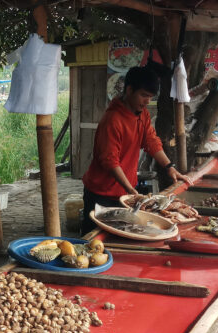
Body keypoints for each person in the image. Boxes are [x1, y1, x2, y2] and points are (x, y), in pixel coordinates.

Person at [80, 66, 192, 235]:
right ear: (129, 90)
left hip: (125, 194)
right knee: (94, 238)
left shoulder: (143, 114)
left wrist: (170, 167)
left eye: (150, 97)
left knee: (121, 238)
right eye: (144, 95)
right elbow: (110, 161)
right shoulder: (112, 120)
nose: (147, 101)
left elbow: (151, 142)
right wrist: (131, 191)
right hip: (101, 194)